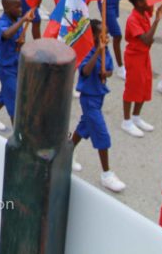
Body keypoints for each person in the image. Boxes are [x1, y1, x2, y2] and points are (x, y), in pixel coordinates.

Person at [71, 19, 125, 192]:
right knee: (101, 134)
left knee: (84, 127)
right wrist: (97, 52)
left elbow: (108, 69)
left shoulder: (106, 50)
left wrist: (106, 73)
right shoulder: (90, 50)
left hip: (99, 96)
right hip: (89, 98)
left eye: (107, 34)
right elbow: (85, 70)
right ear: (94, 35)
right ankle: (106, 174)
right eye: (103, 34)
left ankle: (67, 152)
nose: (107, 37)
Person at [0, 0, 31, 131]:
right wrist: (22, 20)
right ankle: (18, 135)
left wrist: (20, 44)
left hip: (16, 64)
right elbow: (6, 35)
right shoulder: (2, 23)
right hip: (5, 67)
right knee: (15, 101)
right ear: (7, 8)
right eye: (17, 7)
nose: (21, 9)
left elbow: (16, 41)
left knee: (7, 91)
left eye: (21, 6)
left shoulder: (16, 20)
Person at [121, 0, 162, 138]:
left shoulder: (143, 14)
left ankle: (136, 116)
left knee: (145, 85)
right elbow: (145, 39)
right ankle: (126, 121)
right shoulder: (133, 19)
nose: (148, 2)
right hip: (134, 56)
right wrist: (156, 21)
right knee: (132, 87)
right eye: (145, 0)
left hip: (144, 55)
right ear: (138, 3)